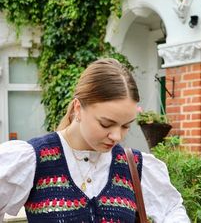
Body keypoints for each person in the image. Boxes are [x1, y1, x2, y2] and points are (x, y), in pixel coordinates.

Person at [0, 58, 190, 223]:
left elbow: (171, 210)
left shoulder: (135, 166)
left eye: (126, 126)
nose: (117, 136)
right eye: (106, 124)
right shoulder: (33, 160)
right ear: (78, 108)